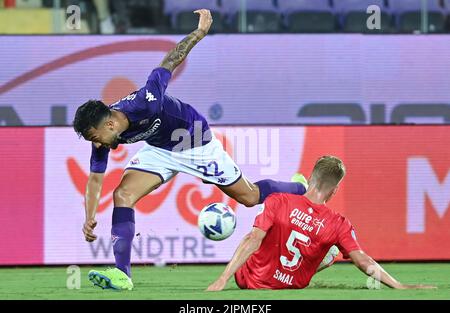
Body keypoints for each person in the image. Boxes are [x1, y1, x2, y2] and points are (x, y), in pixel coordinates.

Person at [72, 9, 307, 291]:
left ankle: (300, 188)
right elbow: (96, 179)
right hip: (159, 149)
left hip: (195, 142)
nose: (95, 145)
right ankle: (123, 275)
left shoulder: (145, 102)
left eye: (95, 137)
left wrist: (198, 33)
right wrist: (89, 216)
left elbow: (169, 61)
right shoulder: (103, 137)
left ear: (109, 123)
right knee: (122, 194)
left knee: (249, 196)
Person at [207, 156, 436, 291]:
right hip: (291, 285)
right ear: (334, 191)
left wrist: (223, 278)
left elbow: (252, 239)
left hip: (248, 280)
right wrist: (398, 285)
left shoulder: (277, 200)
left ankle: (300, 237)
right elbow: (362, 261)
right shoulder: (339, 223)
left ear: (310, 180)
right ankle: (318, 257)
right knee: (332, 247)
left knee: (264, 229)